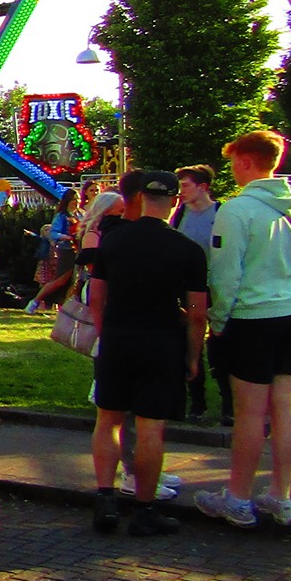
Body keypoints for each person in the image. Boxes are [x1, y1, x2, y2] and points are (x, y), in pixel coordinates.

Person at [86, 171, 206, 536]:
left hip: (119, 338)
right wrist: (192, 356)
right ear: (174, 201)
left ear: (140, 199)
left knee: (108, 419)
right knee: (152, 427)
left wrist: (108, 332)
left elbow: (96, 296)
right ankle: (144, 508)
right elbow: (198, 312)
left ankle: (105, 497)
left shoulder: (114, 241)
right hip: (161, 341)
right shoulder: (187, 249)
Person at [195, 130, 291, 528]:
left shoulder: (237, 211)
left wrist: (218, 322)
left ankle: (238, 498)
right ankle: (281, 496)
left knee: (249, 413)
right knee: (286, 405)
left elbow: (226, 275)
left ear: (244, 161)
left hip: (251, 318)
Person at [170, 165, 231, 423]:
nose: (180, 192)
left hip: (215, 286)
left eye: (185, 186)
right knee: (189, 341)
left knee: (220, 343)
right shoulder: (179, 213)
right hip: (187, 287)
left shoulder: (222, 213)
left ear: (203, 187)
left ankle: (229, 402)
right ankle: (197, 401)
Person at [28, 189, 82, 312]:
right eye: (74, 199)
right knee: (61, 279)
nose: (76, 202)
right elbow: (54, 233)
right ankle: (36, 301)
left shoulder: (81, 214)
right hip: (67, 250)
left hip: (79, 250)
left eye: (78, 199)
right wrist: (67, 236)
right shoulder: (62, 216)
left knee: (75, 280)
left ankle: (67, 307)